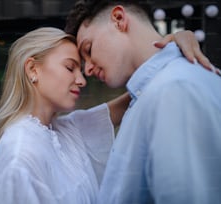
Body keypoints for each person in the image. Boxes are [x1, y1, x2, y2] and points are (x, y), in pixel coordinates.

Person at [0, 27, 212, 203]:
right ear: (32, 69)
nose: (81, 80)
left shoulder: (66, 130)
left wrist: (175, 45)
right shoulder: (20, 152)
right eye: (70, 67)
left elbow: (139, 91)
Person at [65, 0, 221, 204]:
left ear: (119, 19)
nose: (88, 70)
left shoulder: (172, 91)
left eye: (89, 49)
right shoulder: (152, 93)